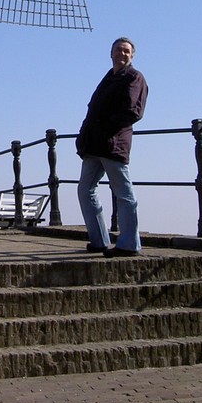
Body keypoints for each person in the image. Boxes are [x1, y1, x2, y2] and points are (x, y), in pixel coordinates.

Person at [76, 37, 148, 256]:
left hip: (113, 143)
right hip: (95, 144)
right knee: (85, 189)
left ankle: (129, 243)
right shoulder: (108, 78)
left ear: (132, 55)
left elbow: (132, 112)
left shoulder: (134, 77)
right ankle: (98, 239)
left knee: (123, 192)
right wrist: (84, 135)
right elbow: (94, 109)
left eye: (126, 51)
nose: (122, 54)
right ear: (111, 53)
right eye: (118, 50)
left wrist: (105, 128)